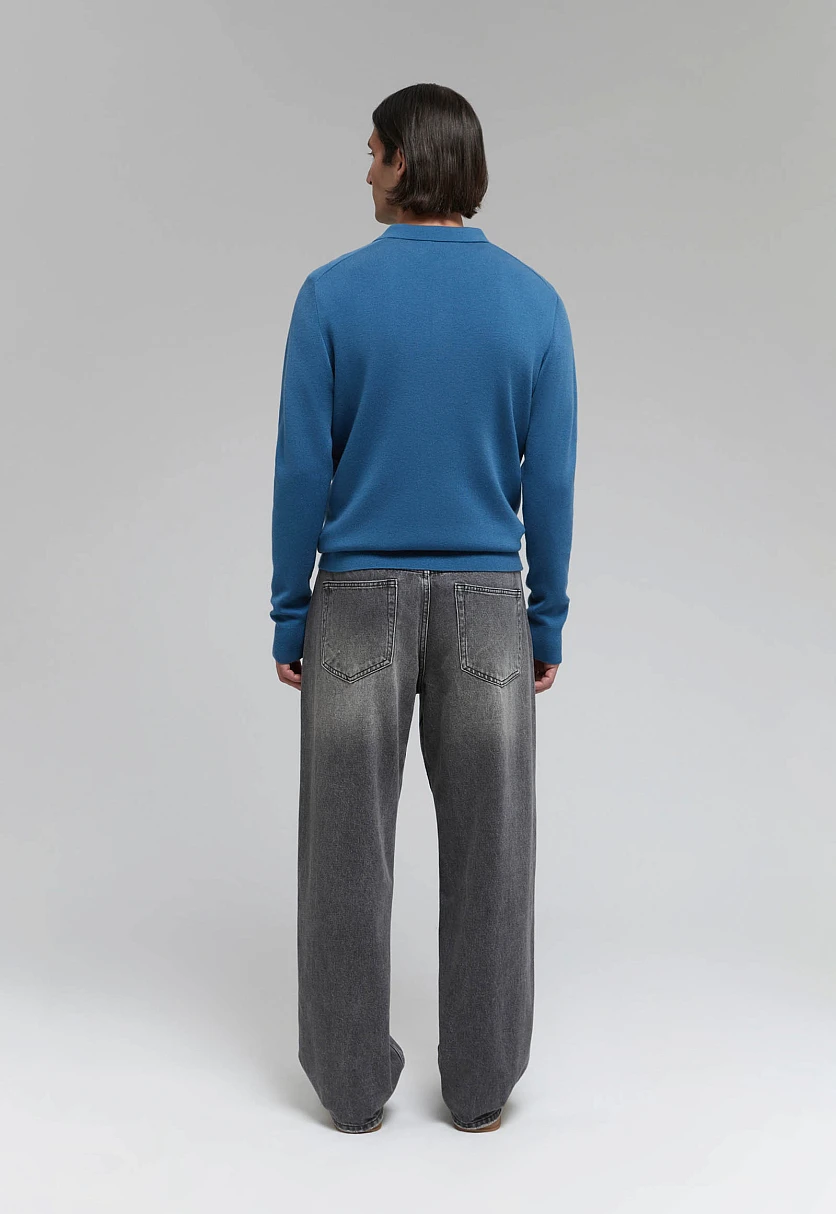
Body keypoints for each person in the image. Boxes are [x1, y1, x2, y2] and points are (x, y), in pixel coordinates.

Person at [269, 82, 578, 1134]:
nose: (364, 169)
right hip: (490, 606)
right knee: (494, 849)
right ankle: (482, 1088)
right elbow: (551, 481)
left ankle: (351, 1088)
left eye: (373, 151)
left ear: (407, 160)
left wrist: (288, 611)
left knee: (344, 850)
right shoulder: (534, 303)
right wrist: (546, 617)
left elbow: (301, 471)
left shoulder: (329, 296)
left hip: (354, 601)